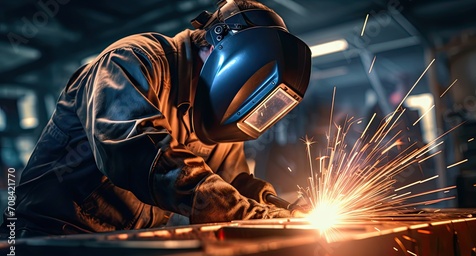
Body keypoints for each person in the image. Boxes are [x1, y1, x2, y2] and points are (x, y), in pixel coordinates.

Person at [2, 0, 311, 237]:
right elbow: (138, 152)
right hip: (47, 239)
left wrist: (276, 208)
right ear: (217, 44)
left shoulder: (215, 121)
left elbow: (232, 184)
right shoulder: (132, 61)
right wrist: (254, 217)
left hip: (121, 244)